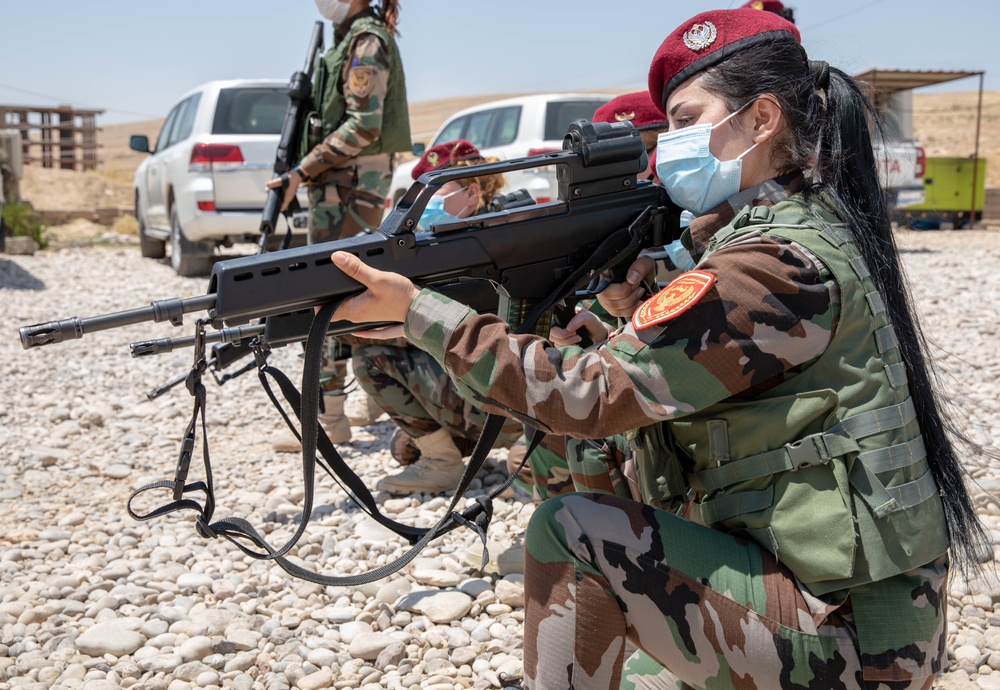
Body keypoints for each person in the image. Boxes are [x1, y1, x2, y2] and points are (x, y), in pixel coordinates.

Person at [326, 8, 989, 689]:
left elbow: (583, 398)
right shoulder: (797, 226)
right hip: (838, 603)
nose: (666, 143)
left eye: (682, 119)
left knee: (572, 530)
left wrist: (421, 315)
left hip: (853, 640)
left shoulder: (771, 262)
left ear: (762, 120)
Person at [268, 0, 410, 451]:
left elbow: (364, 125)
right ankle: (366, 401)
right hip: (344, 188)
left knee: (327, 297)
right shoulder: (350, 39)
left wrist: (301, 171)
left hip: (347, 188)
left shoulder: (365, 41)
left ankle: (329, 419)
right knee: (349, 294)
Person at [351, 139, 525, 496]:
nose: (423, 208)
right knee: (404, 448)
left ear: (472, 191)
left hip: (516, 402)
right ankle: (450, 454)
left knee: (370, 356)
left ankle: (445, 464)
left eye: (433, 194)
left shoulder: (493, 243)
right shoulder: (471, 238)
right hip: (520, 396)